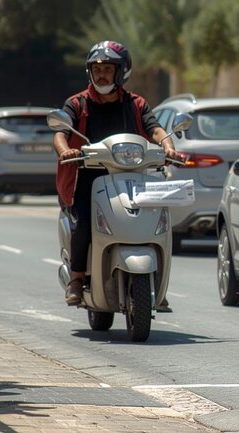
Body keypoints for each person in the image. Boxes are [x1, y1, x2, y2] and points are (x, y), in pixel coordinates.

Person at [53, 40, 180, 309]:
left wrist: (169, 147)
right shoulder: (77, 103)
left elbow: (155, 128)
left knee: (155, 219)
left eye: (108, 69)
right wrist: (65, 151)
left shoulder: (136, 103)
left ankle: (156, 281)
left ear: (121, 72)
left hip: (133, 175)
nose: (101, 74)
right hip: (89, 177)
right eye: (97, 69)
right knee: (85, 221)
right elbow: (61, 132)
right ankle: (77, 279)